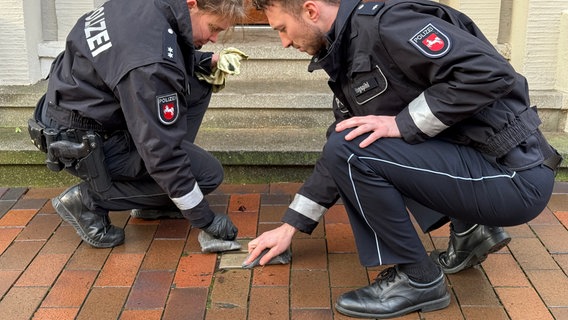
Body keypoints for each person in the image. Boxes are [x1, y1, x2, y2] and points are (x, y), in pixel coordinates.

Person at [244, 0, 562, 318]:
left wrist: (401, 123)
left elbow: (489, 74)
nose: (284, 42)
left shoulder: (388, 25)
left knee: (358, 146)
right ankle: (471, 231)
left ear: (310, 10)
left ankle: (417, 279)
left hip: (513, 177)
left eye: (282, 29)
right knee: (358, 142)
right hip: (488, 168)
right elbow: (338, 155)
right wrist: (290, 226)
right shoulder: (351, 46)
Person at [27, 0, 246, 248]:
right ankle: (88, 201)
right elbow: (162, 152)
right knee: (207, 175)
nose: (215, 38)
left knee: (197, 84)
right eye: (214, 27)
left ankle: (154, 196)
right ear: (192, 5)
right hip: (82, 141)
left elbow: (143, 52)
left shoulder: (150, 6)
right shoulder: (150, 64)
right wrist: (205, 220)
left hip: (73, 113)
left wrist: (205, 62)